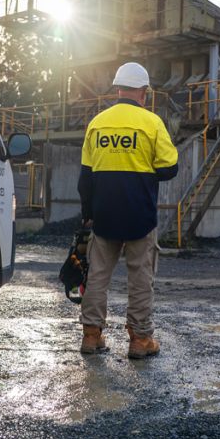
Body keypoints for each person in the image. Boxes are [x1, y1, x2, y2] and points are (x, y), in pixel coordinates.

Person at [77, 62, 179, 359]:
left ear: (117, 89)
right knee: (140, 278)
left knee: (97, 275)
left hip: (103, 214)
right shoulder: (151, 123)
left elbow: (85, 176)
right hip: (139, 215)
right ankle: (140, 339)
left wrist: (88, 213)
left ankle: (91, 335)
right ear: (144, 93)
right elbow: (169, 169)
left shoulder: (97, 123)